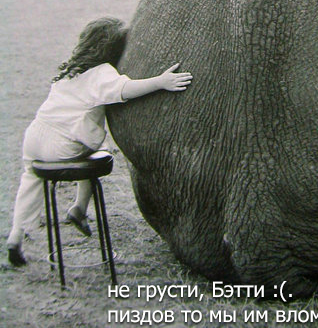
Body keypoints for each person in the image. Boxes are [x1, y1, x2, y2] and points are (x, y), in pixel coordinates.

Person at [7, 16, 192, 266]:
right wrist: (161, 82)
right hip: (63, 144)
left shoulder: (71, 71)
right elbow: (125, 90)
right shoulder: (102, 73)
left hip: (35, 137)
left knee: (31, 178)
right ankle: (79, 208)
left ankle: (16, 235)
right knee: (94, 152)